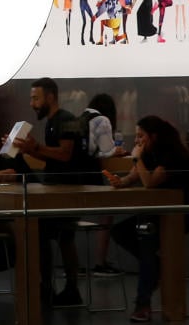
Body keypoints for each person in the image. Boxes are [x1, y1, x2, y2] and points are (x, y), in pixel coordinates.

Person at [108, 116, 189, 323]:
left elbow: (149, 182)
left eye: (141, 136)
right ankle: (157, 268)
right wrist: (120, 182)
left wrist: (136, 158)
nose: (137, 141)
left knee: (146, 238)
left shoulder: (172, 155)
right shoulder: (150, 152)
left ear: (154, 136)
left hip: (181, 214)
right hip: (158, 214)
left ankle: (143, 303)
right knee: (122, 231)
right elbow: (134, 177)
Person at [12, 77, 84, 307]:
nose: (32, 103)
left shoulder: (69, 120)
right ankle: (51, 287)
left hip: (67, 194)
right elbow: (54, 156)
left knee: (43, 231)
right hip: (55, 192)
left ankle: (52, 287)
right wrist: (29, 149)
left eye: (35, 98)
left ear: (50, 97)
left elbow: (66, 155)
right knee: (52, 234)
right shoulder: (53, 121)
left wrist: (35, 148)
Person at [82, 93, 126, 277]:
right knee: (106, 214)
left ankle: (77, 265)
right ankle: (100, 262)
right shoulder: (102, 120)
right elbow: (107, 151)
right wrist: (121, 151)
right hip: (90, 177)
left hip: (74, 178)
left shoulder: (81, 117)